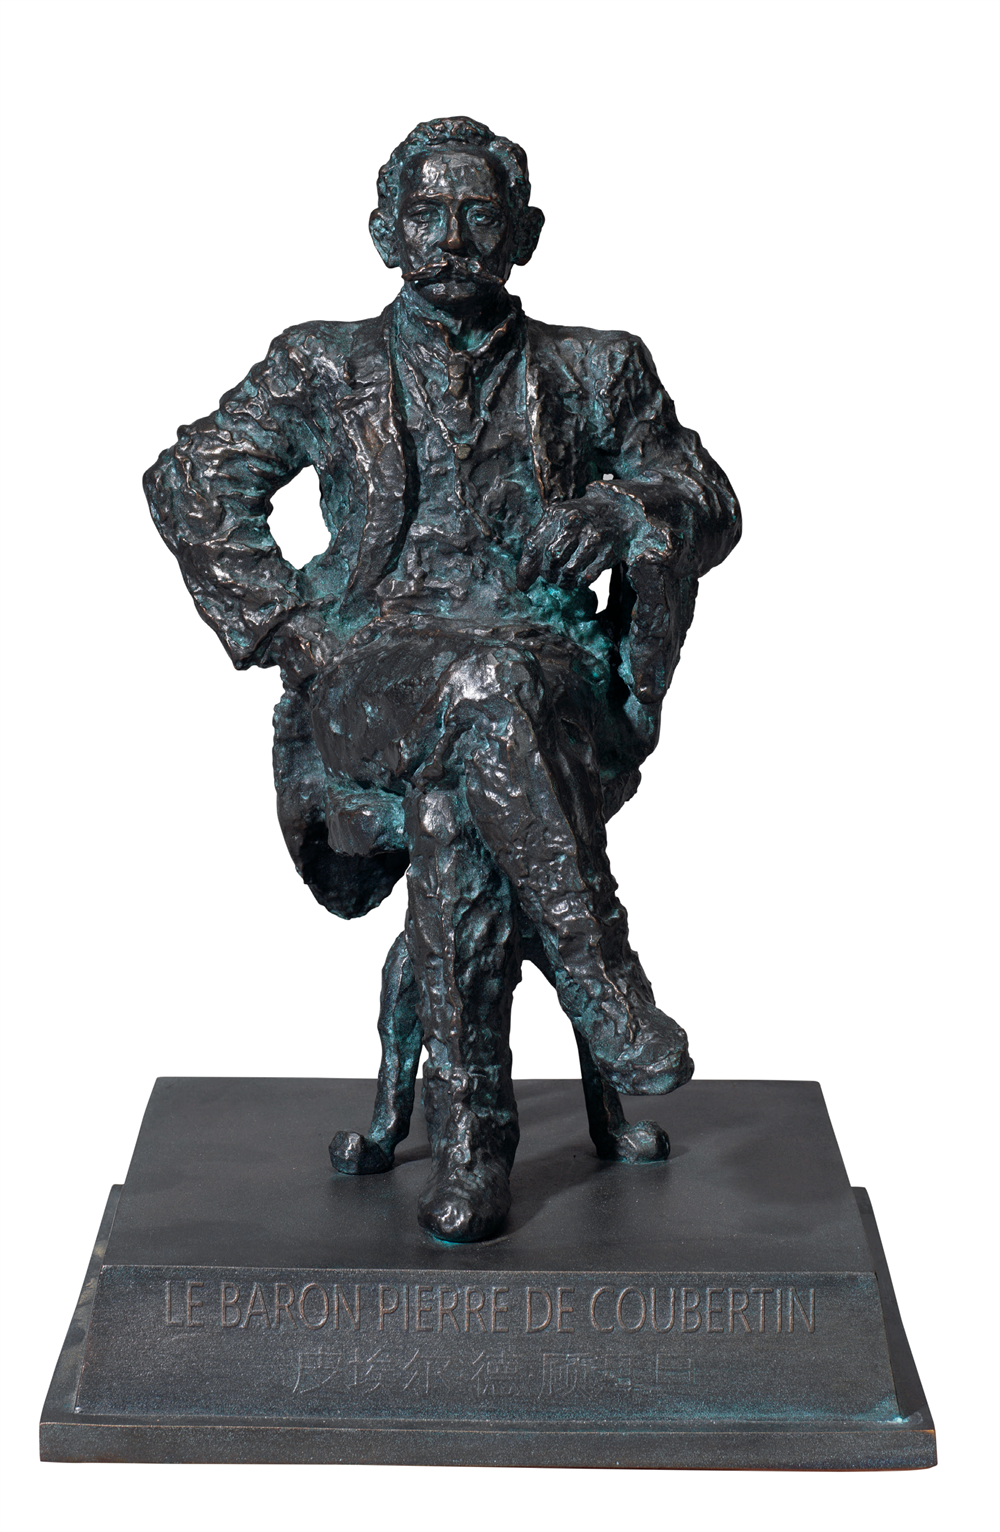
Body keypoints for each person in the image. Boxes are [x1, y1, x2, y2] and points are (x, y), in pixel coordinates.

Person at [145, 117, 741, 1243]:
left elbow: (706, 499)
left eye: (479, 214)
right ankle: (599, 975)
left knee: (457, 799)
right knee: (480, 690)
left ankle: (474, 1148)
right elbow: (191, 478)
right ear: (385, 233)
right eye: (427, 213)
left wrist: (619, 507)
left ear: (526, 234)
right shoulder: (324, 362)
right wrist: (287, 627)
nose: (452, 237)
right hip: (370, 680)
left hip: (558, 686)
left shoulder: (597, 366)